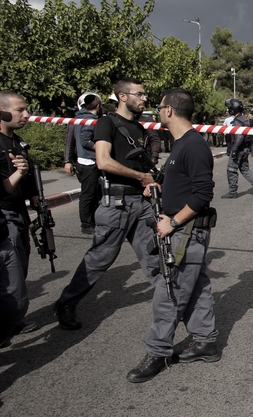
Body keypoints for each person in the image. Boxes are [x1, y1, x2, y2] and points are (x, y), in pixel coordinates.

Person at [127, 88, 220, 383]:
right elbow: (185, 185)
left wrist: (173, 222)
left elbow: (203, 194)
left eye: (159, 107)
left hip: (186, 231)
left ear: (168, 110)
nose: (156, 111)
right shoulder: (183, 144)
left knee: (171, 292)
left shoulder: (192, 145)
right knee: (197, 285)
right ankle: (205, 341)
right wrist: (159, 188)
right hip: (184, 230)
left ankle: (158, 351)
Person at [53, 77, 161, 330]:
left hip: (140, 201)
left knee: (152, 256)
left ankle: (174, 299)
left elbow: (138, 164)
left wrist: (148, 180)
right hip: (117, 203)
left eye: (145, 94)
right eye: (140, 94)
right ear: (122, 96)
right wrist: (140, 177)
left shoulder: (140, 128)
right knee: (100, 257)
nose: (144, 98)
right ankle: (67, 302)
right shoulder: (106, 123)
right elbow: (103, 161)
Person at [0, 91, 39, 278]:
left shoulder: (18, 142)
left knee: (21, 268)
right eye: (19, 110)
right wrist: (19, 172)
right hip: (5, 216)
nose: (26, 115)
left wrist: (34, 195)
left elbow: (27, 176)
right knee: (12, 276)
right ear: (1, 112)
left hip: (20, 212)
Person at [70, 92, 104, 234]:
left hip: (85, 161)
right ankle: (86, 224)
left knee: (94, 194)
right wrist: (101, 148)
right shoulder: (89, 120)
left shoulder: (81, 118)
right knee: (88, 195)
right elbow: (85, 141)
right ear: (97, 106)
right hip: (88, 162)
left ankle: (93, 222)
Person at [222, 99, 253, 199]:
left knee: (231, 169)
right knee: (245, 169)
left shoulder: (238, 121)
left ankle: (232, 192)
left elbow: (239, 136)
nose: (229, 109)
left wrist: (234, 149)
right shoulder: (245, 119)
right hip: (245, 148)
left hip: (238, 149)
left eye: (230, 108)